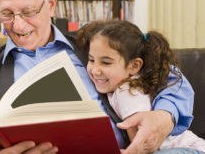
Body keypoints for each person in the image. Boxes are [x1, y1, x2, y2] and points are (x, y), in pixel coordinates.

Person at [0, 0, 194, 154]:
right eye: (7, 14)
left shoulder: (92, 43)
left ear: (51, 3)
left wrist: (165, 116)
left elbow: (170, 76)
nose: (17, 25)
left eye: (28, 12)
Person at [76, 20, 205, 153]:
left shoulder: (126, 91)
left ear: (134, 65)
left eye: (106, 62)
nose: (95, 70)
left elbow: (141, 142)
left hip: (188, 149)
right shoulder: (130, 81)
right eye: (91, 60)